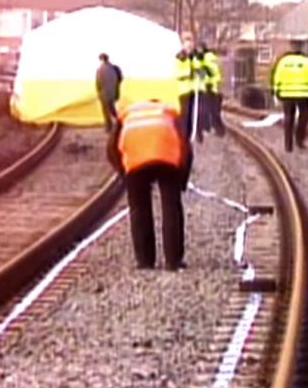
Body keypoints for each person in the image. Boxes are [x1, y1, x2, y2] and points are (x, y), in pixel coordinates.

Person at [107, 99, 193, 270]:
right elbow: (186, 148)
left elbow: (111, 148)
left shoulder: (126, 114)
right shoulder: (169, 112)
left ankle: (145, 261)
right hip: (167, 156)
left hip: (135, 158)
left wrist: (124, 173)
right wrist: (181, 180)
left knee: (139, 209)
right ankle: (173, 261)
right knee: (171, 207)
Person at [271, 40, 308, 152]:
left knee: (288, 119)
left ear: (291, 47)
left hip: (287, 94)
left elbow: (277, 78)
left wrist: (276, 92)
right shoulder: (306, 62)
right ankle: (299, 140)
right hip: (303, 95)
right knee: (304, 118)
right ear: (301, 48)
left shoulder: (283, 62)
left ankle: (288, 145)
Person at [200, 43, 226, 136]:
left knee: (211, 111)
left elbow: (206, 73)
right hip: (215, 88)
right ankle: (217, 130)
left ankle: (219, 130)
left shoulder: (206, 60)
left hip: (210, 88)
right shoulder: (212, 58)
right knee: (214, 111)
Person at [96, 53, 123, 132]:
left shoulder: (100, 70)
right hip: (113, 93)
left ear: (101, 59)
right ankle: (120, 123)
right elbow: (120, 79)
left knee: (105, 111)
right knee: (112, 109)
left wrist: (99, 93)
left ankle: (109, 127)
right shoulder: (115, 68)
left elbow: (98, 83)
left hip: (104, 94)